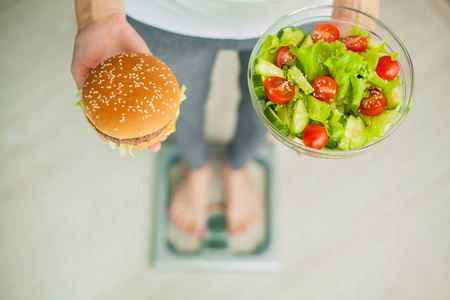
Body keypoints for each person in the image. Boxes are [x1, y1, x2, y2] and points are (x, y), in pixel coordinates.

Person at [72, 0, 380, 237]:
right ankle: (197, 166)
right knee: (176, 112)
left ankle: (238, 165)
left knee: (271, 113)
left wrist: (354, 14)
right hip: (163, 14)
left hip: (298, 11)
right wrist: (98, 15)